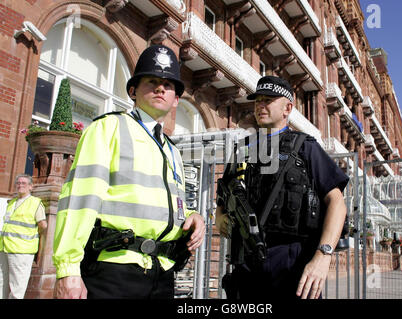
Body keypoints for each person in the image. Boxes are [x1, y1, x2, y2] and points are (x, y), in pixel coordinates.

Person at [53, 44, 206, 299]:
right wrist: (68, 269)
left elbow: (169, 203)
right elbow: (79, 200)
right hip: (115, 271)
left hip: (163, 274)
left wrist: (193, 216)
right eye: (152, 81)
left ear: (176, 99)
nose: (160, 88)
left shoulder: (172, 150)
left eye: (168, 85)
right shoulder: (108, 128)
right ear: (133, 91)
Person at [215, 75, 349, 299]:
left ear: (287, 108)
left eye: (268, 100)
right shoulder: (243, 149)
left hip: (292, 263)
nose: (260, 105)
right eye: (258, 100)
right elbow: (224, 193)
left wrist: (323, 255)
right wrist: (219, 215)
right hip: (247, 262)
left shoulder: (305, 147)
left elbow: (337, 202)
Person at [0, 174, 47, 299]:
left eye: (23, 183)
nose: (20, 185)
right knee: (2, 283)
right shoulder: (12, 203)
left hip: (21, 251)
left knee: (17, 287)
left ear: (31, 187)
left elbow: (43, 225)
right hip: (5, 248)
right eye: (18, 183)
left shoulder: (35, 203)